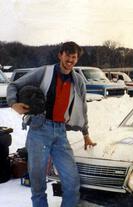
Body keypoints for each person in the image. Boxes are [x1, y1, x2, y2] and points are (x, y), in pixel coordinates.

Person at [6, 41, 97, 207]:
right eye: (67, 56)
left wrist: (86, 134)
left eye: (74, 57)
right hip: (39, 129)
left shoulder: (78, 81)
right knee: (38, 182)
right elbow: (13, 85)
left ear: (77, 59)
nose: (70, 60)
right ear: (60, 55)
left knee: (71, 182)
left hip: (61, 132)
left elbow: (83, 108)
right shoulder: (45, 72)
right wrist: (13, 104)